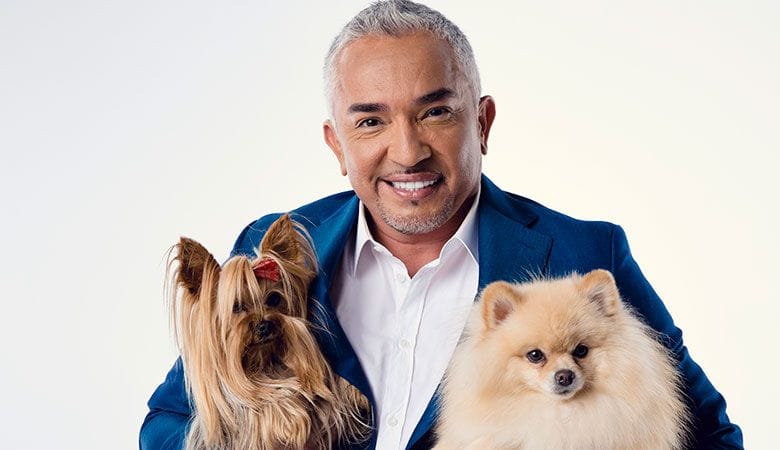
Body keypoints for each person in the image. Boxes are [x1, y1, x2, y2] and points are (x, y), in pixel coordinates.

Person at [140, 1, 743, 449]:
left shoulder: (586, 252)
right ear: (336, 144)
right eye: (371, 122)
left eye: (435, 112)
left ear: (482, 122)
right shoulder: (273, 247)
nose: (407, 151)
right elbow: (167, 425)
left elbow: (708, 435)